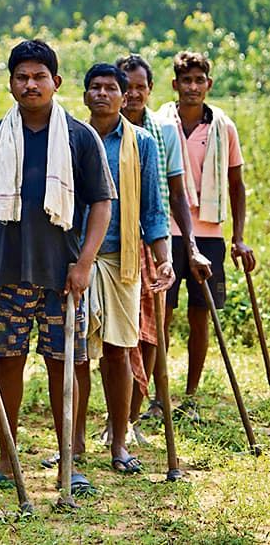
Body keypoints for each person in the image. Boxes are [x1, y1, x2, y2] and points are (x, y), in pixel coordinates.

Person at [0, 40, 114, 497]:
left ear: (56, 83)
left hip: (63, 276)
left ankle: (73, 460)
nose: (30, 84)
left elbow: (102, 204)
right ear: (11, 84)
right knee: (7, 364)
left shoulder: (79, 137)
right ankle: (7, 462)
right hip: (6, 272)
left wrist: (84, 264)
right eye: (22, 77)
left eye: (39, 77)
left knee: (67, 365)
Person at [75, 63, 172, 474]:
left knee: (118, 353)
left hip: (122, 262)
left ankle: (118, 441)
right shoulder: (71, 138)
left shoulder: (142, 144)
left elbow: (153, 209)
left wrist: (164, 257)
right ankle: (74, 445)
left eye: (110, 88)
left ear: (124, 95)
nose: (102, 94)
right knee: (74, 355)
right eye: (94, 87)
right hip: (74, 261)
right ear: (84, 96)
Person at [114, 54, 211, 428]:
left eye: (140, 87)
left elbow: (176, 196)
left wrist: (189, 247)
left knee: (150, 328)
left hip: (152, 241)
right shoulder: (100, 130)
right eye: (127, 86)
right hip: (111, 243)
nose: (133, 94)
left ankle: (135, 412)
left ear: (151, 90)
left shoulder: (163, 133)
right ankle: (118, 412)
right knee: (117, 332)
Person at [156, 51, 252, 422]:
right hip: (167, 230)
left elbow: (236, 182)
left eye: (200, 81)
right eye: (186, 81)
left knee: (202, 314)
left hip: (209, 232)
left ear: (208, 85)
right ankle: (157, 394)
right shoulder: (160, 124)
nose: (193, 87)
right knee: (160, 313)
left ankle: (190, 396)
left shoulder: (223, 127)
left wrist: (238, 237)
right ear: (175, 84)